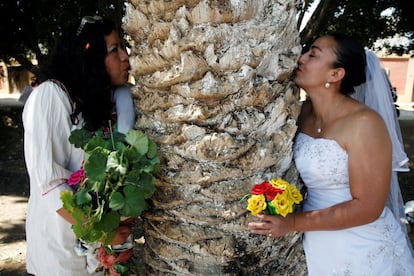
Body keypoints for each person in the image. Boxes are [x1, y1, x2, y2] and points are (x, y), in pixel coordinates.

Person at [248, 33, 414, 275]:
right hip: (317, 243)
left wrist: (292, 223)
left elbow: (368, 207)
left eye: (313, 54)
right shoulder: (301, 112)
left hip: (362, 244)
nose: (302, 58)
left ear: (335, 74)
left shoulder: (364, 123)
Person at [23, 16, 135, 275]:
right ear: (91, 57)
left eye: (123, 47)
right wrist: (103, 233)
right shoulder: (51, 96)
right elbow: (50, 184)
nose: (125, 57)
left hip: (99, 260)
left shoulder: (106, 102)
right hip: (60, 257)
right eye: (114, 49)